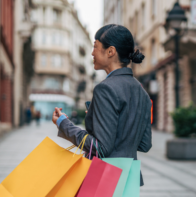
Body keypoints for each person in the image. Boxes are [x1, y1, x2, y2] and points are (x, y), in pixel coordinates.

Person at [52, 24, 152, 186]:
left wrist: (64, 124)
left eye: (95, 46)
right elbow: (145, 144)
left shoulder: (105, 88)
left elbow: (100, 148)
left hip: (105, 181)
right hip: (129, 181)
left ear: (111, 51)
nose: (92, 52)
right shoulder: (142, 93)